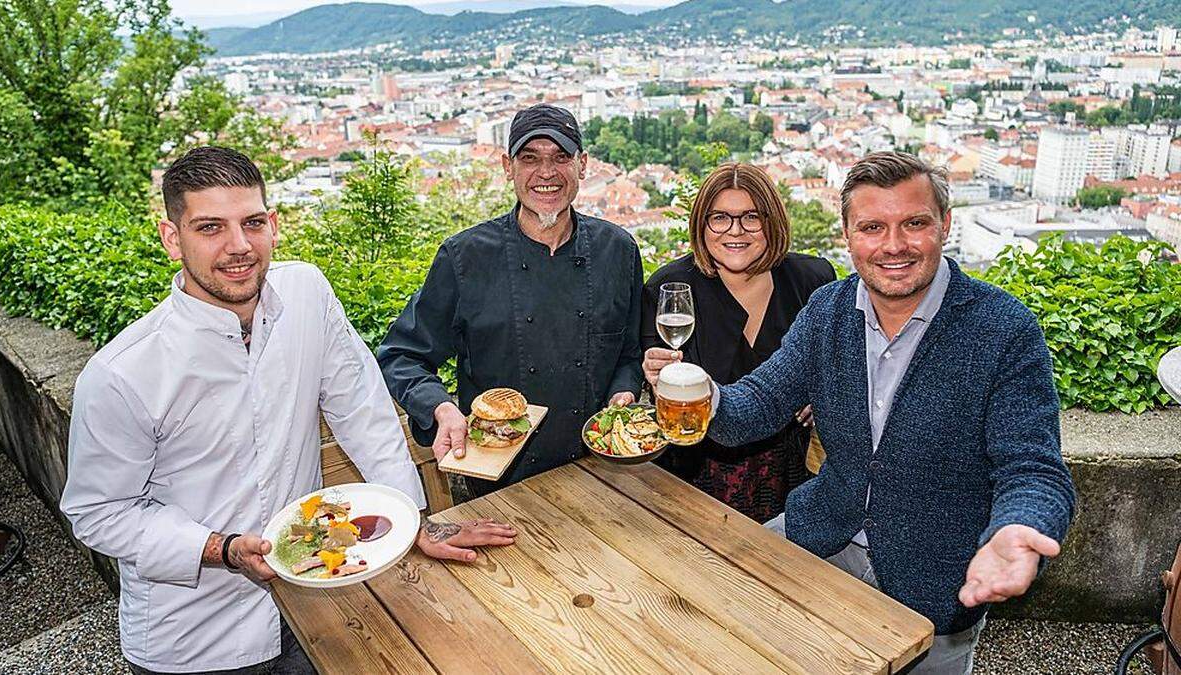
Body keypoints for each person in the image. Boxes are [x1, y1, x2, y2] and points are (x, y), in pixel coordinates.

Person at [60, 147, 517, 675]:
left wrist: (413, 521)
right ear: (171, 238)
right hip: (192, 636)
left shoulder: (306, 293)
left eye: (252, 222)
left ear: (273, 224)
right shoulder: (121, 373)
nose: (238, 246)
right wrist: (221, 548)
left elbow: (363, 413)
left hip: (311, 602)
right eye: (210, 227)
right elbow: (98, 512)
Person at [645, 151, 1075, 673]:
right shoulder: (829, 310)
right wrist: (705, 394)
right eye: (872, 227)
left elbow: (1033, 468)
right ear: (848, 235)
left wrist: (1017, 527)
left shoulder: (1003, 330)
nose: (893, 246)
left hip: (939, 578)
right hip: (821, 537)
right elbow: (759, 404)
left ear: (944, 225)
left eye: (914, 223)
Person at [376, 104, 642, 495]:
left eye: (560, 157)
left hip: (599, 475)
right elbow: (402, 355)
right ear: (507, 167)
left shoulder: (617, 250)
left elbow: (629, 353)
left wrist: (625, 390)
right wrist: (443, 408)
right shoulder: (465, 258)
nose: (546, 173)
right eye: (529, 158)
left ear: (582, 165)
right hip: (499, 485)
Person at [640, 163, 835, 522]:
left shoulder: (812, 279)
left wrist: (818, 393)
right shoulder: (669, 289)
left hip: (790, 474)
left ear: (771, 221)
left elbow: (830, 360)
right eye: (719, 218)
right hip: (697, 478)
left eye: (751, 217)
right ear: (702, 224)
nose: (735, 230)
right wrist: (656, 378)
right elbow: (663, 392)